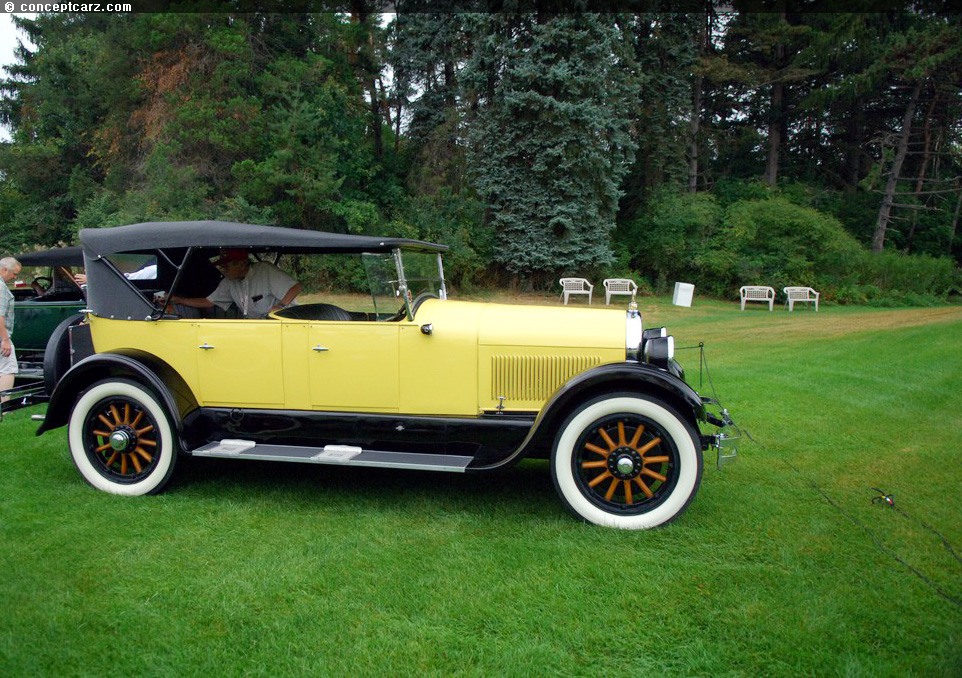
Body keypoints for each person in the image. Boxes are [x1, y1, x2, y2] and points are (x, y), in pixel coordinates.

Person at [168, 249, 301, 319]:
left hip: (284, 323)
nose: (223, 270)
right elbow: (208, 302)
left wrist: (280, 306)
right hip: (257, 326)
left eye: (226, 266)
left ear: (242, 264)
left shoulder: (264, 270)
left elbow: (295, 287)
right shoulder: (229, 282)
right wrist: (179, 300)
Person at [0, 256, 23, 402]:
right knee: (8, 369)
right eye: (14, 273)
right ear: (3, 270)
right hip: (2, 336)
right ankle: (4, 405)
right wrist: (5, 340)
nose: (15, 277)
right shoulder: (1, 288)